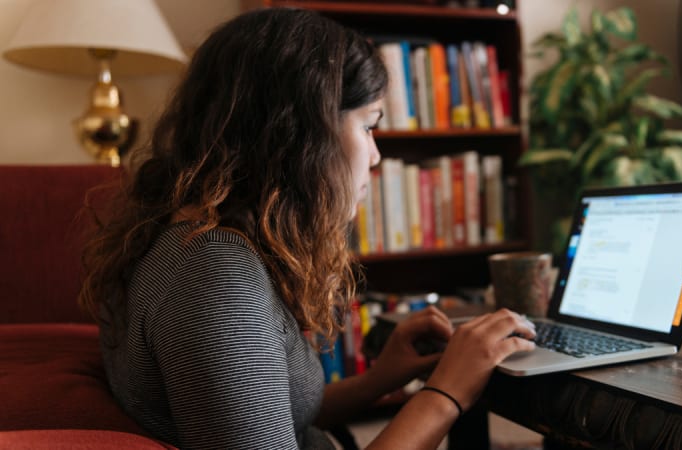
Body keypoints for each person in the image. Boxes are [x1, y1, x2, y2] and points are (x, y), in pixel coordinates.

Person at [79, 7, 536, 449]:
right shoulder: (216, 279)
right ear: (301, 135)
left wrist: (381, 378)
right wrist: (448, 394)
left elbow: (268, 419)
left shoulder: (192, 242)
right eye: (369, 126)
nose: (376, 157)